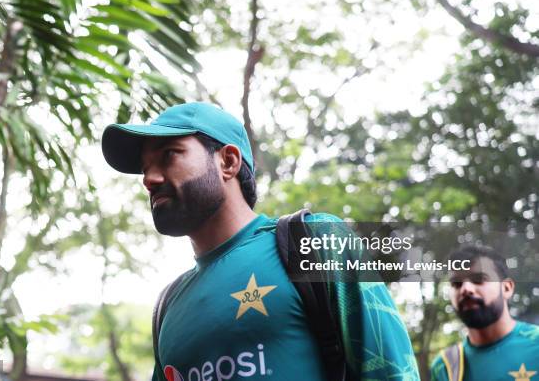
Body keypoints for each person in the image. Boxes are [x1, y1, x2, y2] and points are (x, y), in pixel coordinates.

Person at [102, 102, 419, 381]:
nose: (149, 179)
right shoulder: (168, 307)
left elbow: (392, 371)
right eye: (145, 168)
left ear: (228, 161)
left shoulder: (314, 241)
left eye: (169, 155)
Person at [431, 245, 539, 381]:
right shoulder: (444, 367)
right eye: (456, 284)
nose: (466, 289)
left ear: (506, 288)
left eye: (478, 279)